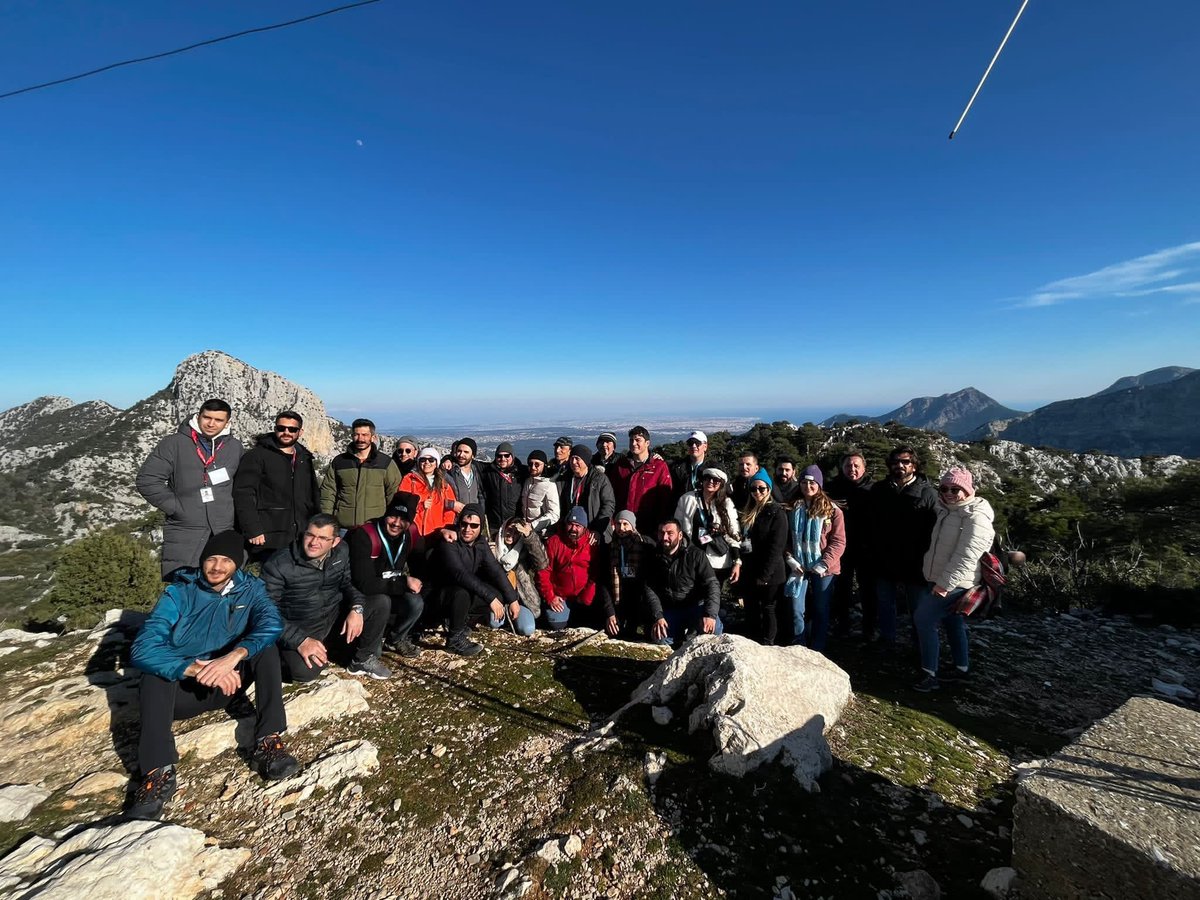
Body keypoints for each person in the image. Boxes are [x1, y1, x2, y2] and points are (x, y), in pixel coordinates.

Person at [128, 531, 297, 819]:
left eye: (226, 561)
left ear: (238, 565)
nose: (217, 567)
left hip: (230, 682)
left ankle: (269, 741)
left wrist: (232, 657)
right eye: (211, 559)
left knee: (265, 649)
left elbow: (271, 623)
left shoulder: (251, 589)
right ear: (202, 561)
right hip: (183, 692)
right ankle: (158, 772)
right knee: (154, 673)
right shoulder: (179, 593)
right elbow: (143, 648)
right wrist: (196, 668)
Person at [262, 513, 392, 681]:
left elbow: (349, 583)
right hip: (301, 626)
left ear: (335, 542)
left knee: (380, 602)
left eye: (323, 538)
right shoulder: (279, 564)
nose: (314, 542)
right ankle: (284, 656)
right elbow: (266, 611)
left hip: (333, 618)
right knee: (305, 672)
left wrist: (356, 608)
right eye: (310, 535)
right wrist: (300, 640)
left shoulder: (341, 551)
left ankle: (361, 660)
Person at [137, 398, 243, 578]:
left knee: (221, 590)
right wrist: (177, 508)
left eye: (218, 420)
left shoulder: (234, 447)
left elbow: (242, 485)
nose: (211, 423)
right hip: (185, 529)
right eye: (207, 417)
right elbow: (147, 480)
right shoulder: (174, 443)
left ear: (227, 422)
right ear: (198, 416)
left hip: (223, 530)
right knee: (184, 587)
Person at [912, 468, 995, 692]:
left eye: (955, 489)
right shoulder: (947, 510)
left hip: (955, 583)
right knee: (952, 622)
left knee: (923, 619)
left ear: (968, 490)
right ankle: (962, 669)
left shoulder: (975, 517)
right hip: (940, 578)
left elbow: (967, 556)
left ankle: (929, 674)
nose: (949, 493)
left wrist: (944, 585)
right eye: (945, 488)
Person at [869, 446, 939, 649]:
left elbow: (936, 528)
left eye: (905, 462)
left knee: (917, 608)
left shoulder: (928, 493)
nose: (900, 465)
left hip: (916, 561)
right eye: (895, 461)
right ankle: (887, 640)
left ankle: (920, 645)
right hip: (884, 558)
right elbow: (871, 522)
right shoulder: (879, 490)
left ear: (914, 466)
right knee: (885, 604)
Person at [429, 504, 520, 656]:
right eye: (464, 524)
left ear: (480, 527)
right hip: (440, 594)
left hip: (462, 591)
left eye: (474, 525)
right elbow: (460, 574)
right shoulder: (449, 542)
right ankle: (454, 639)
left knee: (499, 595)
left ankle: (460, 620)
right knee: (462, 593)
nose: (467, 529)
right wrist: (490, 598)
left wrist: (513, 599)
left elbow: (496, 571)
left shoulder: (481, 543)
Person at [233, 410, 320, 562]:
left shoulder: (304, 458)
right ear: (275, 429)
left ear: (300, 432)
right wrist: (252, 529)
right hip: (268, 536)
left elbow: (313, 495)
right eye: (281, 428)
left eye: (292, 429)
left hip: (300, 534)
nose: (286, 432)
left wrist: (318, 527)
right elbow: (244, 493)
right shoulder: (256, 456)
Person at [346, 492, 426, 658]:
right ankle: (365, 644)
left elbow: (420, 566)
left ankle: (396, 638)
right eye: (393, 516)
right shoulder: (365, 535)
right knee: (383, 602)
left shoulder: (410, 534)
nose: (396, 523)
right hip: (364, 597)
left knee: (416, 602)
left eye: (403, 519)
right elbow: (364, 584)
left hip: (389, 589)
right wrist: (404, 582)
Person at [784, 466, 846, 652]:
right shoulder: (792, 508)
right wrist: (791, 560)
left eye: (812, 483)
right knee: (796, 608)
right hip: (799, 566)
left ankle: (818, 646)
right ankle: (799, 645)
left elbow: (839, 541)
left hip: (825, 569)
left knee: (821, 608)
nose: (808, 486)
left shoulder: (833, 511)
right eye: (804, 482)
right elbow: (785, 539)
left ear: (819, 485)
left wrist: (823, 563)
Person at [536, 507, 617, 635]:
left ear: (584, 527)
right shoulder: (554, 542)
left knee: (593, 623)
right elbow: (544, 571)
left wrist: (587, 594)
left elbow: (596, 572)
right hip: (561, 596)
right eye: (570, 524)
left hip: (584, 595)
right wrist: (550, 596)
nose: (573, 529)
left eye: (578, 526)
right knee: (556, 623)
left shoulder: (591, 544)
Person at [643, 519, 723, 647]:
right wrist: (658, 616)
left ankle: (693, 634)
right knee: (660, 638)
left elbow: (712, 584)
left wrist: (710, 615)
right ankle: (680, 640)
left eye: (670, 533)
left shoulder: (696, 555)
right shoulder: (653, 557)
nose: (664, 537)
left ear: (680, 535)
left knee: (714, 630)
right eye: (661, 533)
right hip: (670, 608)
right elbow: (649, 589)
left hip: (696, 606)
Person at [826, 451, 876, 640]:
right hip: (841, 548)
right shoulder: (832, 488)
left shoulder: (874, 489)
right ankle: (842, 624)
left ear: (864, 468)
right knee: (841, 588)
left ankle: (869, 627)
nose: (852, 469)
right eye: (848, 465)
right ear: (842, 467)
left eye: (856, 466)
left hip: (867, 549)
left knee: (868, 590)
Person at [320, 418, 402, 531]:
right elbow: (328, 493)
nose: (360, 439)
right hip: (343, 527)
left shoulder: (385, 463)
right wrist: (327, 521)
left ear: (372, 437)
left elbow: (393, 494)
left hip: (374, 528)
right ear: (352, 436)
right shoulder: (340, 462)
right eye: (356, 435)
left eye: (364, 435)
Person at [738, 471, 789, 645]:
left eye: (761, 488)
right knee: (751, 608)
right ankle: (752, 641)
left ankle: (768, 643)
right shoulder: (748, 510)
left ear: (769, 489)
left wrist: (765, 575)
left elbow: (777, 547)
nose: (757, 492)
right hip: (750, 569)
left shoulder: (777, 512)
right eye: (753, 488)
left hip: (770, 572)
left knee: (768, 608)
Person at [674, 467, 742, 583]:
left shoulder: (726, 503)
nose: (710, 482)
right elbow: (677, 527)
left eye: (715, 480)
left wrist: (737, 562)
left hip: (717, 561)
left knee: (713, 598)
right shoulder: (687, 499)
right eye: (707, 478)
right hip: (692, 558)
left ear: (721, 484)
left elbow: (733, 533)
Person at [610, 426, 673, 530]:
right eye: (631, 440)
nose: (634, 443)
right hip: (623, 525)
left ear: (647, 443)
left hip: (649, 525)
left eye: (638, 440)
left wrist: (661, 524)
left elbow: (665, 498)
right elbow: (611, 495)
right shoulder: (621, 465)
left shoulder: (658, 466)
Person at [491, 517, 547, 634]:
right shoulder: (492, 544)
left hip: (522, 600)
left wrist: (529, 536)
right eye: (510, 530)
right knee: (494, 623)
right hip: (498, 599)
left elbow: (542, 563)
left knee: (527, 629)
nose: (512, 534)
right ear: (503, 528)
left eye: (517, 532)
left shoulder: (525, 549)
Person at [608, 510, 654, 636]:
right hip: (619, 590)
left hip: (638, 591)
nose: (621, 528)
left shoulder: (644, 544)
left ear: (632, 526)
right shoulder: (611, 545)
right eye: (618, 524)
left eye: (625, 524)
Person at [558, 446, 616, 543]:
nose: (573, 462)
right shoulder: (565, 479)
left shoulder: (599, 479)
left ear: (586, 460)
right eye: (572, 458)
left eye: (577, 459)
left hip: (594, 530)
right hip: (571, 530)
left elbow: (609, 504)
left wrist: (598, 529)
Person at [399, 447, 459, 537]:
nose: (427, 463)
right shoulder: (410, 480)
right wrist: (420, 506)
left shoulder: (444, 484)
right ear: (419, 462)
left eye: (431, 460)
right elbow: (401, 503)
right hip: (414, 531)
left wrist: (446, 526)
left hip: (437, 532)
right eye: (423, 460)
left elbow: (449, 509)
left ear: (436, 463)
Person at [521, 450, 560, 536]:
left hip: (541, 533)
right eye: (530, 464)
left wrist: (533, 525)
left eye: (537, 464)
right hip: (525, 530)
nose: (533, 467)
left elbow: (554, 514)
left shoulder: (549, 485)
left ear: (544, 465)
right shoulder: (527, 481)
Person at [447, 438, 486, 521]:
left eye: (466, 452)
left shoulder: (476, 471)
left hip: (473, 520)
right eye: (459, 451)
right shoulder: (448, 472)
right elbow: (436, 498)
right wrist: (451, 504)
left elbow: (480, 495)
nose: (461, 455)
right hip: (454, 521)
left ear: (473, 455)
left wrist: (481, 513)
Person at [669, 431, 712, 503]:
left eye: (697, 443)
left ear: (705, 446)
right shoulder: (676, 467)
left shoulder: (713, 468)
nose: (694, 446)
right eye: (690, 443)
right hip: (682, 509)